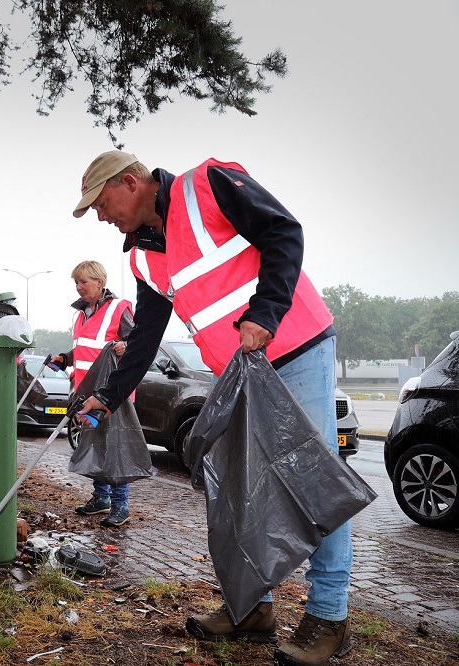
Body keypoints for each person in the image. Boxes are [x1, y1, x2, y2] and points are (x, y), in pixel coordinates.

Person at [72, 150, 347, 666]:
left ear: (130, 183)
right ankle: (252, 609)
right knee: (237, 488)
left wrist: (264, 312)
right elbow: (148, 333)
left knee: (313, 481)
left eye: (102, 203)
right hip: (237, 372)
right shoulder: (139, 254)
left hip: (297, 346)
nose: (102, 216)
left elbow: (285, 234)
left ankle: (329, 616)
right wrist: (107, 396)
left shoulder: (209, 186)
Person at [49, 260, 134, 527]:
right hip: (86, 392)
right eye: (76, 282)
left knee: (116, 448)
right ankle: (101, 497)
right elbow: (85, 350)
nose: (79, 287)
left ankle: (121, 505)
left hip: (113, 393)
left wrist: (125, 345)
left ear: (100, 281)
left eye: (84, 281)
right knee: (95, 444)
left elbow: (140, 343)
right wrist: (65, 358)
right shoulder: (79, 315)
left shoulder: (118, 309)